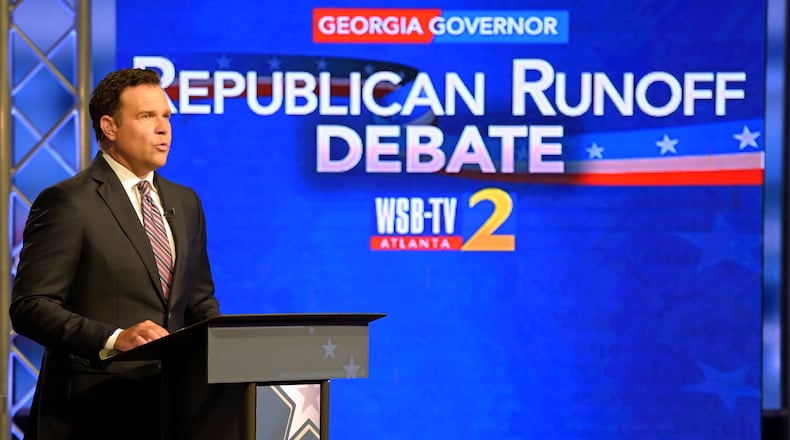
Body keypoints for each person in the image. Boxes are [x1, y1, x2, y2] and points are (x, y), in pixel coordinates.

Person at [9, 68, 221, 440]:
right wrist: (113, 338)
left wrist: (224, 360)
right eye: (147, 116)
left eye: (166, 116)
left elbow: (199, 302)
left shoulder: (185, 202)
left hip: (172, 410)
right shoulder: (68, 202)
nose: (163, 128)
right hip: (91, 413)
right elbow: (30, 306)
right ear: (109, 126)